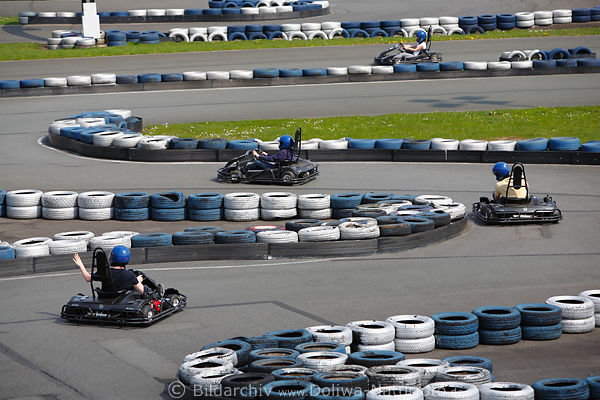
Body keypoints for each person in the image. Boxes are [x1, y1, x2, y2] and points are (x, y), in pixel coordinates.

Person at [73, 245, 163, 296]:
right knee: (143, 283)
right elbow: (141, 290)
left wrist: (81, 264)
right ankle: (157, 292)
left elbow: (88, 278)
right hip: (121, 298)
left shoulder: (105, 272)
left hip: (105, 296)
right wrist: (138, 280)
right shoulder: (129, 275)